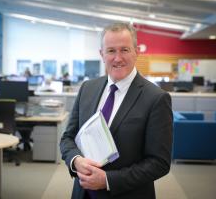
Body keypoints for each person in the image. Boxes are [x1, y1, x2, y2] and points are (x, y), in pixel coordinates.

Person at [60, 22, 173, 199]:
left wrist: (108, 180)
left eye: (125, 50)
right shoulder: (87, 88)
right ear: (102, 54)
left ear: (137, 52)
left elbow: (159, 163)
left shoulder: (156, 98)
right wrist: (76, 161)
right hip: (82, 193)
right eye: (111, 50)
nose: (118, 58)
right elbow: (68, 137)